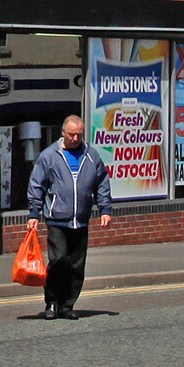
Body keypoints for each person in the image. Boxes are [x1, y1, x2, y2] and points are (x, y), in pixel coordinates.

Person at [25, 114, 114, 320]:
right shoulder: (49, 155)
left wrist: (105, 209)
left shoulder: (91, 156)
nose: (75, 138)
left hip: (80, 220)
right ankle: (52, 303)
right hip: (57, 218)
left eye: (79, 135)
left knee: (76, 265)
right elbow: (37, 184)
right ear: (63, 133)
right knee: (58, 261)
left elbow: (102, 183)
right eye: (72, 134)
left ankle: (67, 305)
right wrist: (34, 213)